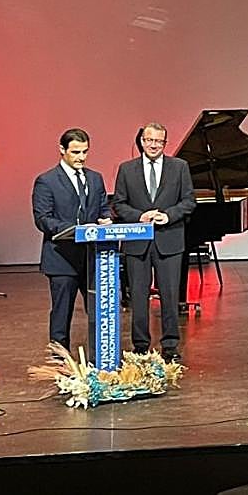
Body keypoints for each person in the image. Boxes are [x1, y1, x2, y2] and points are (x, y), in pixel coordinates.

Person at [112, 122, 197, 362]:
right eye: (149, 140)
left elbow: (189, 201)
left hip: (169, 240)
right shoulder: (126, 169)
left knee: (170, 295)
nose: (153, 145)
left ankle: (170, 345)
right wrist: (140, 216)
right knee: (138, 296)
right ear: (142, 141)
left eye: (159, 141)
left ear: (165, 143)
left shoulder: (179, 167)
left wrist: (168, 215)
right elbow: (119, 204)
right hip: (137, 242)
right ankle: (140, 346)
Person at [31, 128, 113, 350]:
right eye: (76, 152)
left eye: (85, 152)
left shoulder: (95, 178)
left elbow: (103, 208)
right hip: (62, 258)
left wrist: (106, 219)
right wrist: (75, 229)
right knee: (61, 313)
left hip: (93, 258)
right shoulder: (46, 181)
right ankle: (59, 359)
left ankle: (99, 358)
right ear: (62, 150)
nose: (81, 157)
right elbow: (43, 219)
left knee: (99, 311)